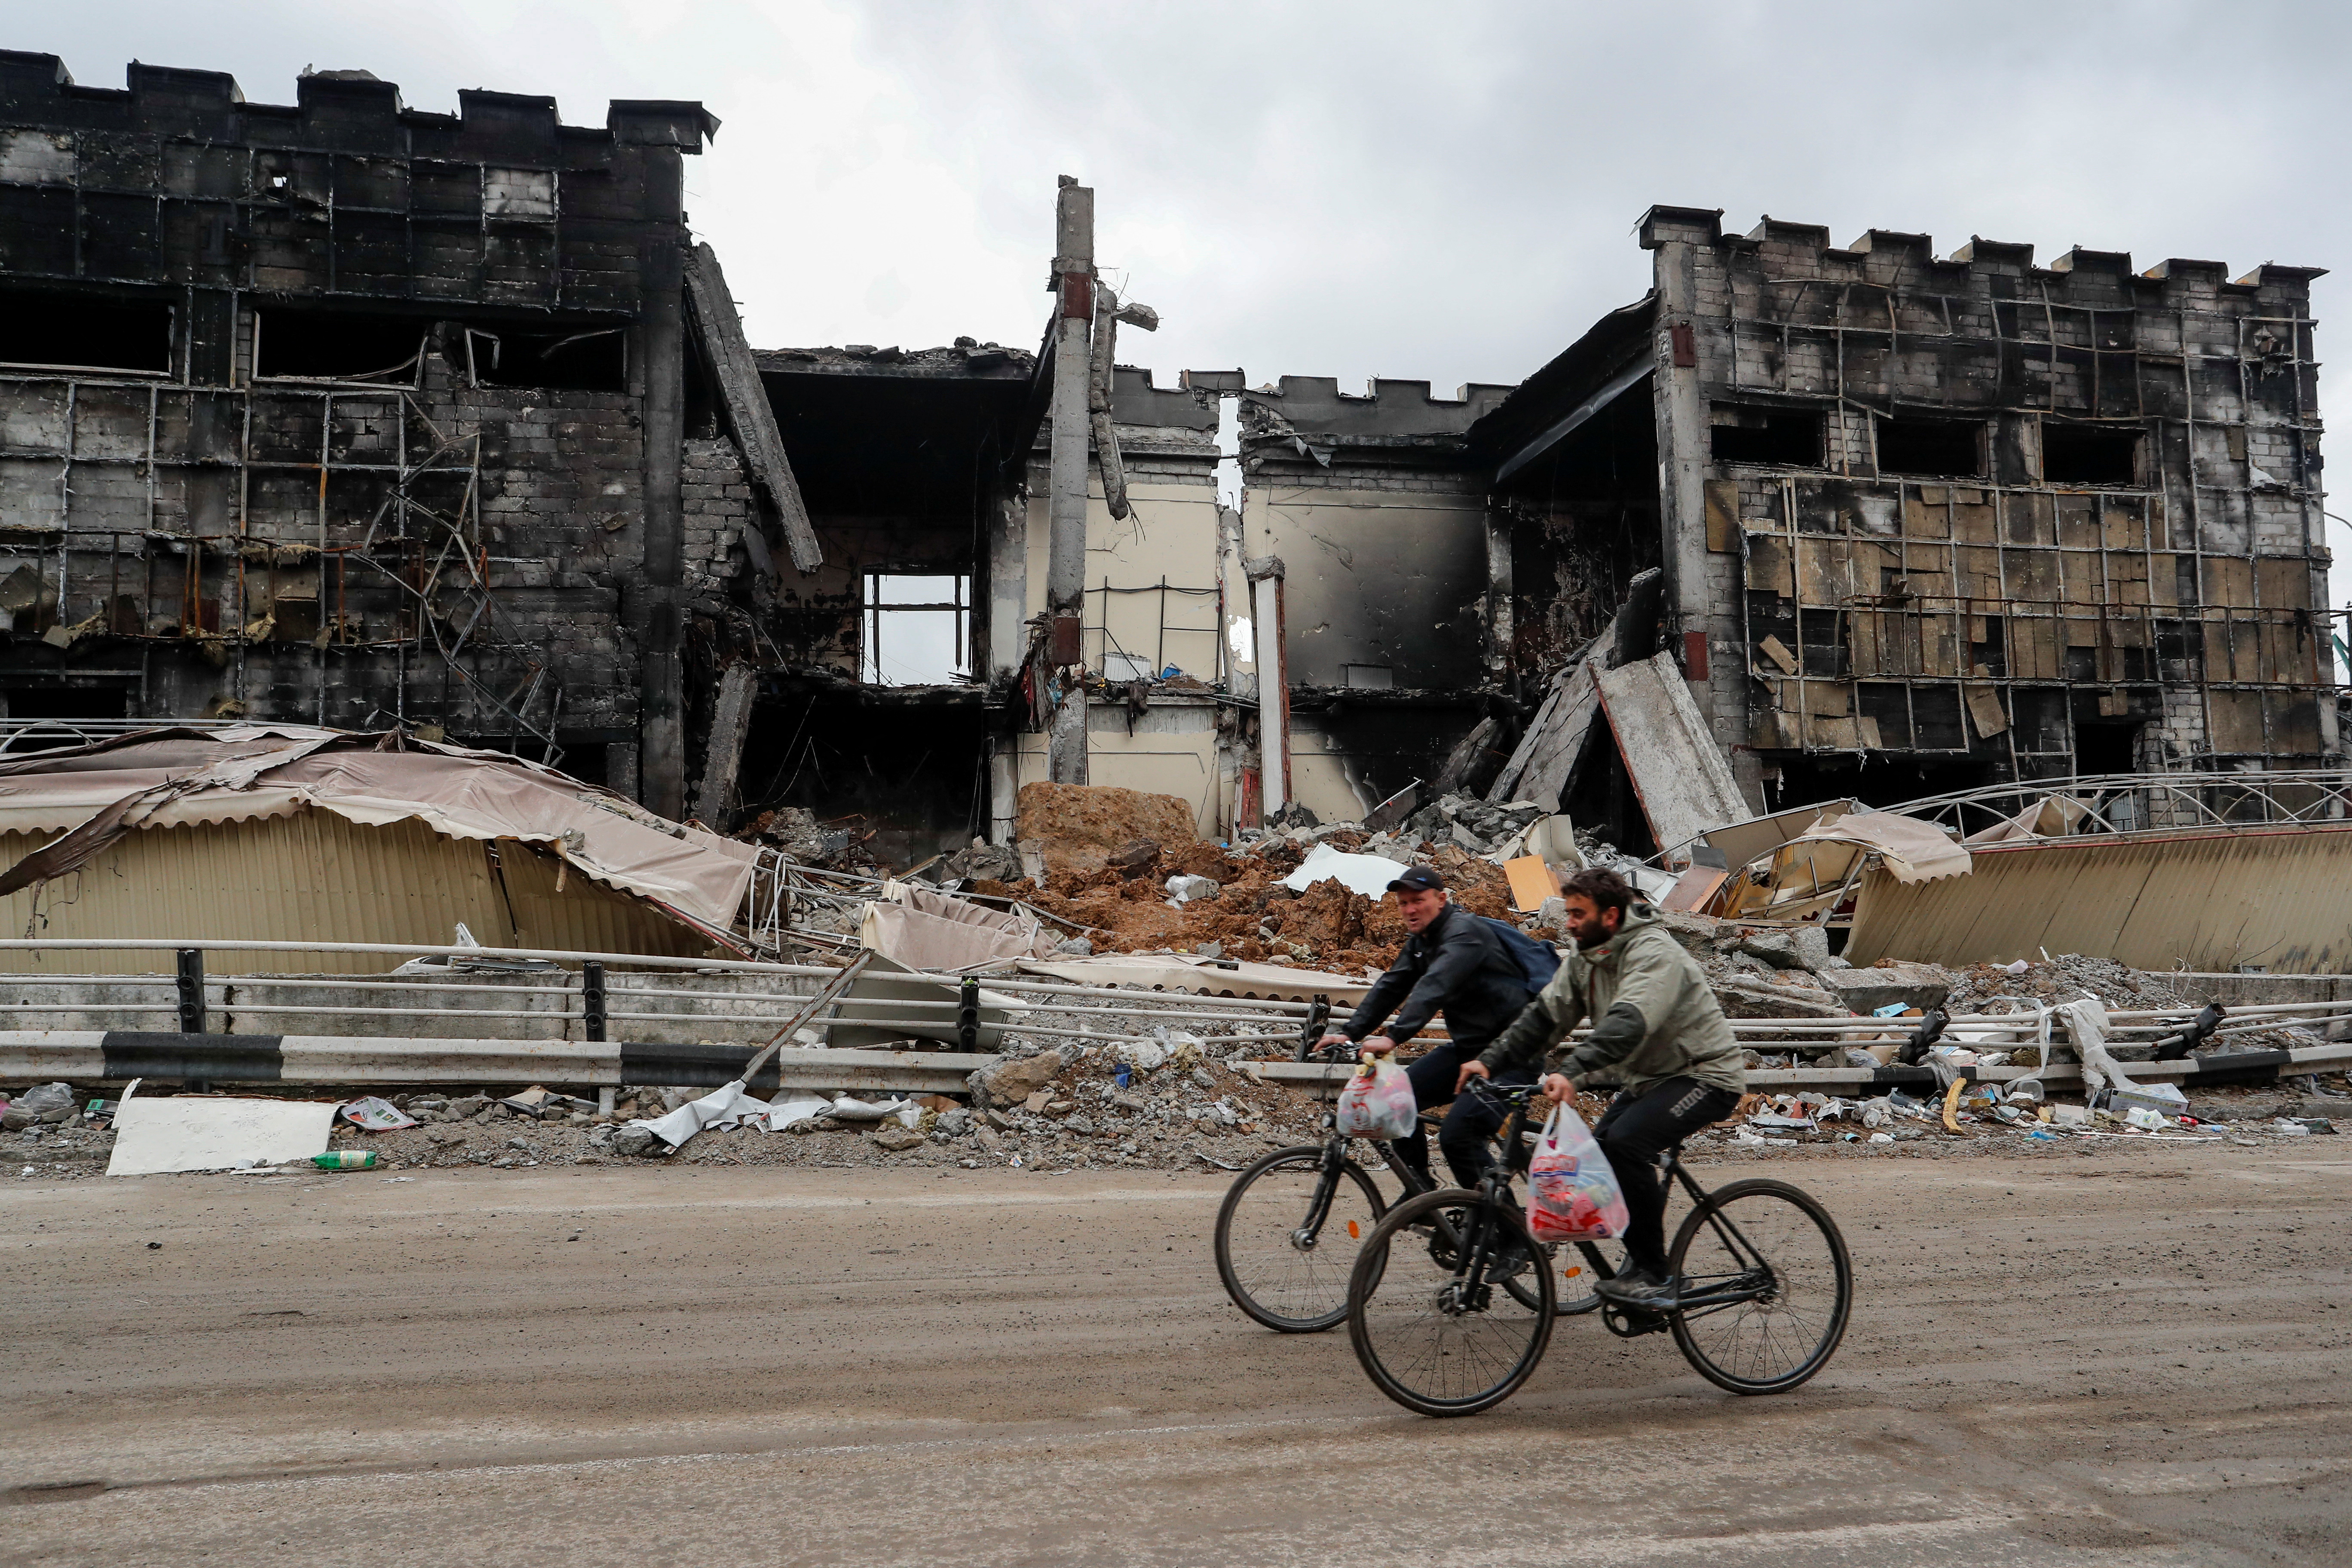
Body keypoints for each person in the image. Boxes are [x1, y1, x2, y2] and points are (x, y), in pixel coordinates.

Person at [1458, 866, 1744, 1311]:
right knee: (1602, 1153)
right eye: (1568, 912)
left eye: (1577, 913)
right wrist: (1489, 1062)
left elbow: (1628, 1023)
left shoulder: (1653, 952)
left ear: (1610, 916)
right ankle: (1639, 1266)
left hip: (1703, 1074)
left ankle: (1658, 1274)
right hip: (1648, 1078)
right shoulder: (1587, 958)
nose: (1567, 922)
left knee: (1626, 1145)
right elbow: (1545, 1019)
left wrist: (1572, 1072)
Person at [1315, 865, 1540, 1190]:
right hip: (1468, 1051)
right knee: (1397, 1100)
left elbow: (1435, 986)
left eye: (1418, 900)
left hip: (1513, 1054)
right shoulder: (1423, 941)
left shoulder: (1465, 934)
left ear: (1442, 899)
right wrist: (1350, 1032)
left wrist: (1393, 1038)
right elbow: (1392, 985)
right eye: (1403, 903)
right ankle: (1420, 1192)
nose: (1410, 910)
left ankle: (1504, 1235)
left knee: (1457, 1136)